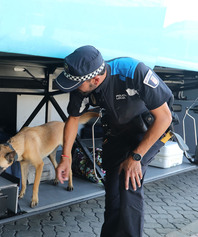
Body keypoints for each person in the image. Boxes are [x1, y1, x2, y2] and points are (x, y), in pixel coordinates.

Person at [54, 45, 173, 237]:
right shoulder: (82, 84)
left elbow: (164, 118)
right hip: (118, 134)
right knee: (113, 195)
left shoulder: (133, 71)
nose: (75, 89)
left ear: (96, 79)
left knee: (128, 183)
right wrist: (66, 157)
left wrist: (136, 157)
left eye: (77, 85)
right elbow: (73, 119)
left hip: (150, 130)